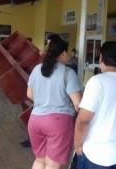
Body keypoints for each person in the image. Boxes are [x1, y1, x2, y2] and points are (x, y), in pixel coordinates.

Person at [74, 41, 116, 169]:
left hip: (96, 155)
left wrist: (77, 144)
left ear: (101, 58)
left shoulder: (96, 82)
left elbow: (83, 121)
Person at [27, 37, 82, 169]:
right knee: (53, 164)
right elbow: (77, 103)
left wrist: (45, 100)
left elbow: (29, 94)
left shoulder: (37, 69)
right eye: (67, 52)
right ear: (62, 53)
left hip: (35, 120)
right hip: (58, 122)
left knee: (40, 160)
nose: (68, 55)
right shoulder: (68, 73)